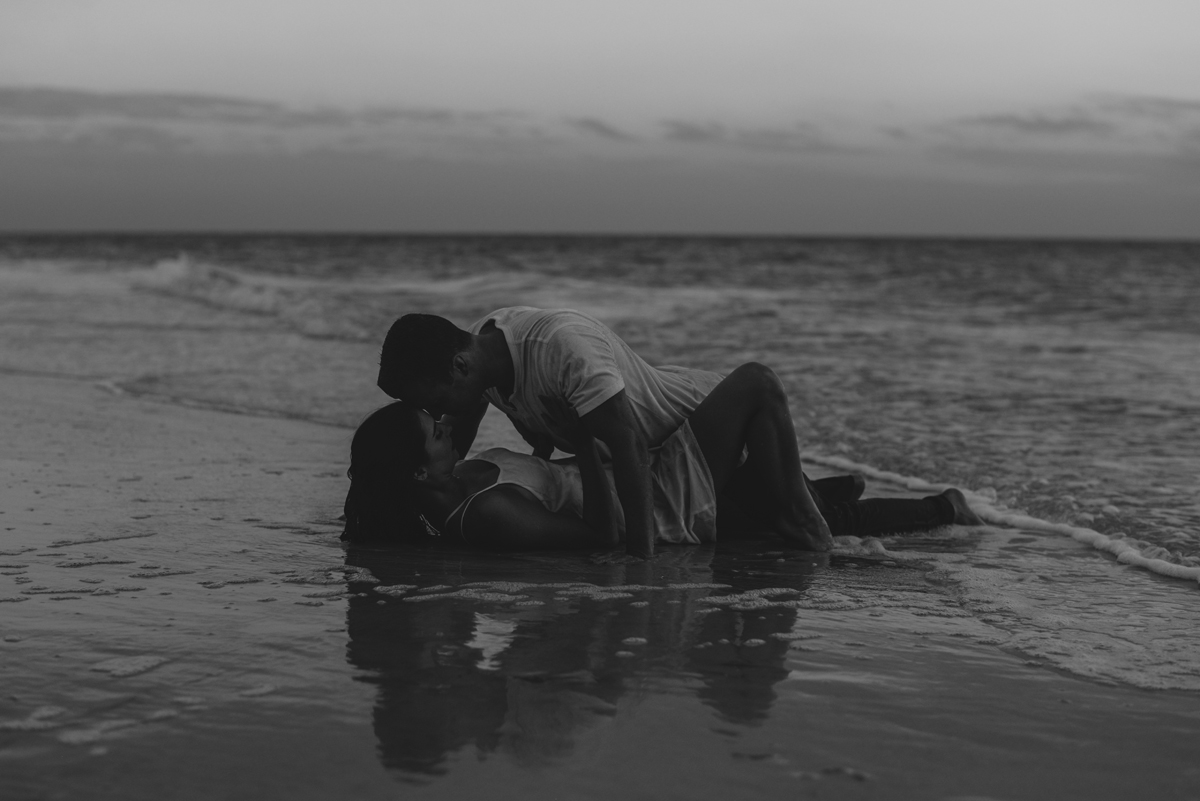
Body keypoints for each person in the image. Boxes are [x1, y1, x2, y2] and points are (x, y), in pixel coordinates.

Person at [343, 367, 983, 550]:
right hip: (658, 504)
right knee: (755, 385)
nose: (442, 423)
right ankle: (934, 508)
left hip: (647, 481)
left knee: (789, 510)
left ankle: (922, 506)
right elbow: (601, 536)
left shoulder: (458, 485)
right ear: (418, 472)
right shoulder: (487, 515)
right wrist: (594, 458)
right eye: (430, 428)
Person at [377, 307, 841, 556]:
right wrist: (383, 495)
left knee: (759, 384)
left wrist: (641, 564)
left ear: (459, 366)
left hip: (691, 439)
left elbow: (629, 445)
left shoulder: (563, 350)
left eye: (435, 403)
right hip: (656, 473)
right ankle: (820, 495)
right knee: (776, 517)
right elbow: (441, 456)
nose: (439, 418)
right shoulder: (482, 359)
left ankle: (807, 508)